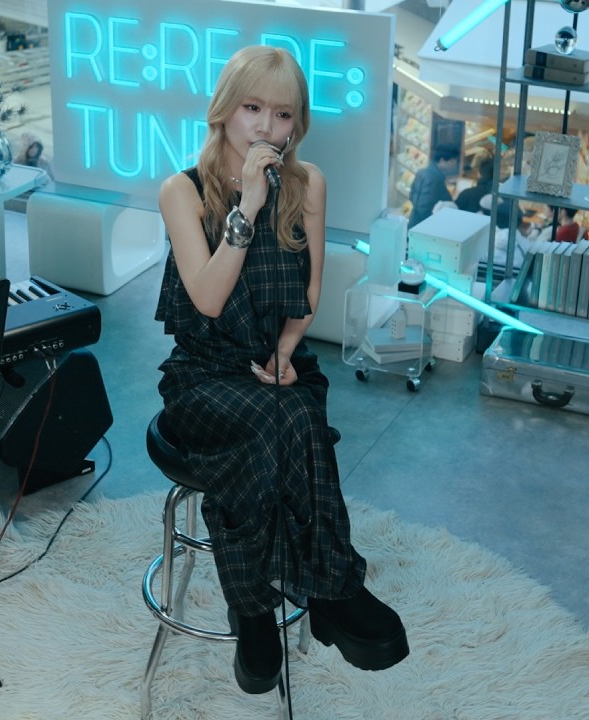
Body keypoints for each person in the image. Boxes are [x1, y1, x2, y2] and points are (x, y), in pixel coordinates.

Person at [153, 45, 408, 696]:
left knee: (289, 409)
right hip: (204, 375)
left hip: (276, 361)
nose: (267, 127)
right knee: (288, 421)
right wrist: (248, 206)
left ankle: (259, 606)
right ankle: (322, 593)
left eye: (283, 114)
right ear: (224, 110)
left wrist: (287, 352)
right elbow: (209, 300)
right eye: (252, 108)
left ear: (298, 122)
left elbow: (311, 290)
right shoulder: (182, 191)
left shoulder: (309, 182)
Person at [408, 144, 460, 227]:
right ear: (442, 160)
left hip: (414, 221)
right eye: (452, 161)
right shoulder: (435, 179)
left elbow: (411, 196)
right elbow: (425, 208)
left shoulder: (422, 172)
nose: (454, 165)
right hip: (424, 226)